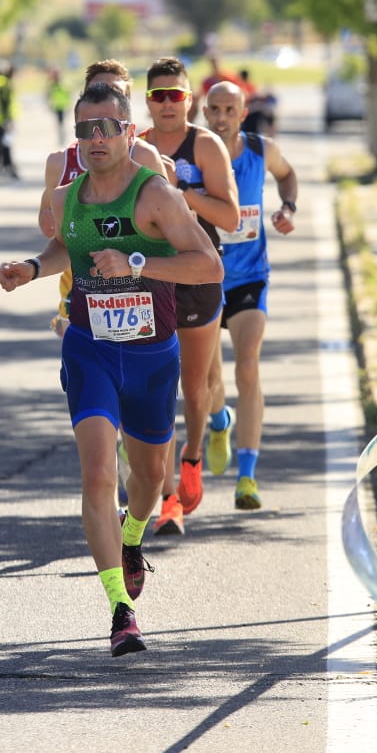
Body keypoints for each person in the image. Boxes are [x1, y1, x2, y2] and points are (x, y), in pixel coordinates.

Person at [0, 81, 222, 657]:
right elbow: (63, 251)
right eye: (84, 130)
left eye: (106, 128)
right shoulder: (67, 197)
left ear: (128, 132)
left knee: (147, 479)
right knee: (98, 474)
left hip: (152, 354)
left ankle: (131, 535)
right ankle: (121, 611)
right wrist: (31, 267)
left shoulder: (157, 197)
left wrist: (137, 261)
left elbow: (208, 265)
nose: (95, 139)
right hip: (89, 347)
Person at [141, 56, 239, 534]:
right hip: (149, 277)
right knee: (153, 388)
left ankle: (193, 456)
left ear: (189, 100)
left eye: (174, 96)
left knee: (194, 388)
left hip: (199, 274)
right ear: (146, 101)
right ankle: (166, 497)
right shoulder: (134, 146)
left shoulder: (206, 145)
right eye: (157, 96)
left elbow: (231, 216)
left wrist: (183, 192)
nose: (166, 104)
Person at [201, 81, 299, 510]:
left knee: (247, 366)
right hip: (202, 279)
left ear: (243, 114)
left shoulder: (261, 150)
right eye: (214, 109)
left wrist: (287, 208)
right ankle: (219, 420)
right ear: (204, 113)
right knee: (208, 382)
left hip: (248, 278)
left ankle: (247, 477)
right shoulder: (191, 155)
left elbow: (288, 174)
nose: (221, 117)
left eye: (229, 109)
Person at [37, 60, 170, 338]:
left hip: (139, 294)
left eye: (115, 93)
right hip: (82, 291)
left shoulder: (144, 156)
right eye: (99, 91)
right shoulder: (61, 162)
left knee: (139, 375)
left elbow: (169, 232)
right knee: (86, 372)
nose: (106, 97)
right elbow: (50, 228)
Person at [47, 68, 68, 147]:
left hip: (62, 106)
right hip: (57, 106)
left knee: (61, 123)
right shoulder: (52, 85)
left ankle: (62, 138)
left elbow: (67, 94)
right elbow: (49, 95)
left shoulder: (61, 84)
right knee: (59, 123)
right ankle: (61, 138)